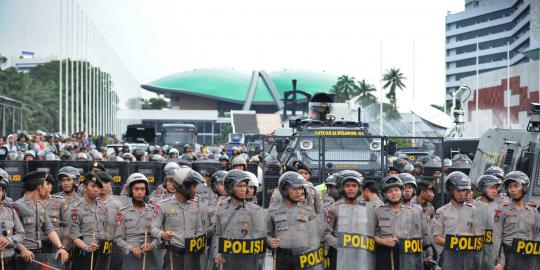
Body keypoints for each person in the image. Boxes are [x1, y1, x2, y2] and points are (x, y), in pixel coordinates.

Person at [151, 166, 205, 270]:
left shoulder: (197, 204)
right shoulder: (162, 205)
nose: (196, 190)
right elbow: (153, 228)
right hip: (173, 256)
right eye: (193, 186)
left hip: (193, 255)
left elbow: (199, 229)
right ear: (183, 187)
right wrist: (162, 234)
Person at [13, 171, 69, 270]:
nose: (47, 188)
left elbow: (49, 229)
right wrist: (23, 249)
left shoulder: (39, 206)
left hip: (39, 254)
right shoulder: (18, 206)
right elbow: (11, 234)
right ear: (39, 187)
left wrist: (61, 248)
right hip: (23, 256)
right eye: (45, 185)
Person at [374, 176, 432, 270]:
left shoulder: (415, 211)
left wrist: (429, 248)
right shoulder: (378, 211)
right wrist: (384, 241)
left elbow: (424, 233)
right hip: (386, 258)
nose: (394, 193)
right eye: (389, 191)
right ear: (384, 194)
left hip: (409, 257)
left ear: (401, 191)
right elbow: (370, 235)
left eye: (396, 190)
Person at [267, 172, 322, 270]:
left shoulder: (308, 210)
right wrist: (269, 241)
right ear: (284, 189)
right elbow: (265, 233)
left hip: (304, 256)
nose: (299, 192)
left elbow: (316, 236)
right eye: (295, 188)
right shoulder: (272, 211)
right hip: (283, 256)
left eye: (300, 188)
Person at [213, 170, 266, 270]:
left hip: (248, 259)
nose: (243, 189)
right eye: (239, 186)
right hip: (227, 258)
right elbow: (217, 234)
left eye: (244, 186)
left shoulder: (255, 210)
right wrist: (216, 253)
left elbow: (260, 236)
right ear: (230, 187)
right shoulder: (221, 208)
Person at [324, 169, 376, 270]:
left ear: (359, 188)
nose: (350, 189)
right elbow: (326, 233)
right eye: (347, 186)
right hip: (339, 254)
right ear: (341, 188)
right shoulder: (334, 208)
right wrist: (339, 245)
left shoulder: (367, 208)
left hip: (360, 253)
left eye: (354, 186)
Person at [432, 171, 484, 269]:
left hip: (468, 257)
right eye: (458, 191)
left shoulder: (474, 211)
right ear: (451, 190)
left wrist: (469, 238)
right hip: (448, 257)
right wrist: (457, 241)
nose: (462, 194)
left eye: (464, 191)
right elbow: (437, 239)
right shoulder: (442, 211)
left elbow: (479, 237)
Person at [494, 171, 538, 270]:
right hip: (509, 257)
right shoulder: (501, 210)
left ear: (524, 187)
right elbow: (497, 238)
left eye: (516, 186)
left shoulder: (534, 210)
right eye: (510, 187)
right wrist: (501, 262)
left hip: (528, 257)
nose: (512, 190)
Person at [115, 173, 159, 270]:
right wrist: (131, 248)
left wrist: (151, 245)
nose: (139, 192)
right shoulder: (122, 213)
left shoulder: (154, 212)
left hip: (149, 258)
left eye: (142, 189)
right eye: (136, 189)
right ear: (130, 191)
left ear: (146, 191)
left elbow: (160, 237)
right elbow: (118, 239)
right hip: (129, 259)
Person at [69, 173, 108, 270]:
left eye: (98, 187)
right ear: (85, 188)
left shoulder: (104, 207)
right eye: (93, 186)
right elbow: (74, 236)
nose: (96, 189)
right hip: (84, 253)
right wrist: (86, 247)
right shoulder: (75, 208)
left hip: (101, 253)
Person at [38, 173, 68, 269]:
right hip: (37, 243)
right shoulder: (32, 202)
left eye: (49, 184)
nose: (47, 187)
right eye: (44, 184)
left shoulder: (59, 201)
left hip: (55, 244)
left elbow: (67, 224)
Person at [473, 174, 502, 270]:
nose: (495, 191)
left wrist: (501, 260)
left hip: (493, 256)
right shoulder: (471, 207)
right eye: (492, 188)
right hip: (474, 255)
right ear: (482, 188)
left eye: (496, 188)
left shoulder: (500, 208)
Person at [0, 169, 24, 270]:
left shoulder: (10, 212)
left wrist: (8, 240)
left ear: (3, 193)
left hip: (8, 262)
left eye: (0, 190)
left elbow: (21, 234)